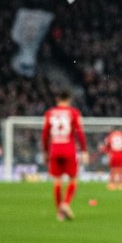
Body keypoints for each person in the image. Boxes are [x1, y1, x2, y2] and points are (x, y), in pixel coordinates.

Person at [42, 90, 87, 221]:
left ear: (57, 99)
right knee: (73, 179)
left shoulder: (50, 113)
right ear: (69, 100)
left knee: (57, 181)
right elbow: (79, 132)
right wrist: (84, 150)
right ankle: (66, 204)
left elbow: (45, 134)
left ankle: (60, 213)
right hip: (69, 149)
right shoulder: (74, 112)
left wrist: (45, 151)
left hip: (54, 149)